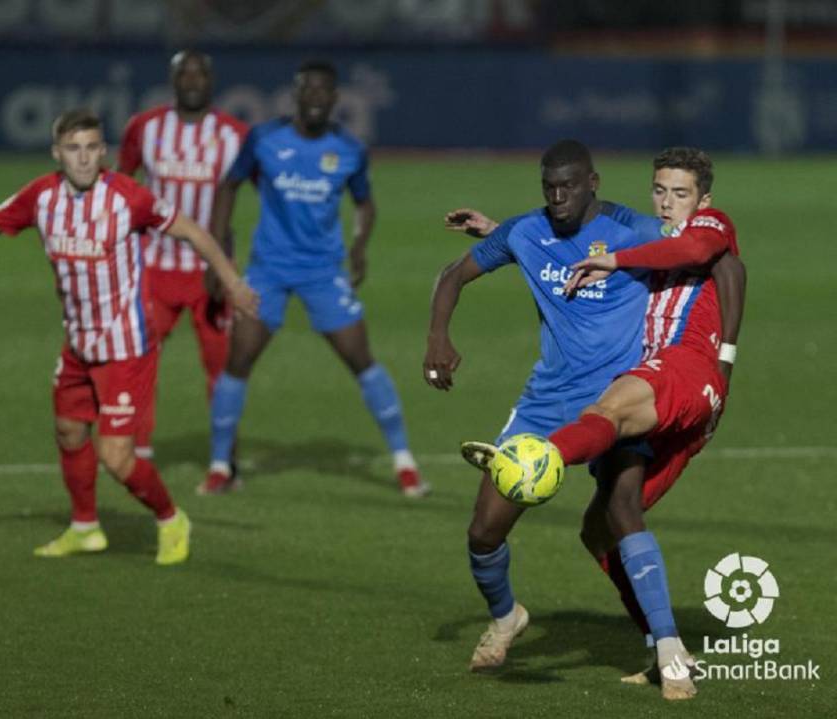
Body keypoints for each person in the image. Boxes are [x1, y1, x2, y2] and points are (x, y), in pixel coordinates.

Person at [441, 147, 745, 701]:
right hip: (550, 400)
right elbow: (468, 268)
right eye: (661, 191)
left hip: (626, 391)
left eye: (679, 194)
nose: (667, 203)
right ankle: (507, 617)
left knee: (622, 507)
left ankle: (670, 646)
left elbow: (716, 256)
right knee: (489, 530)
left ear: (593, 183)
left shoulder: (650, 229)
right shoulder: (534, 231)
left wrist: (725, 357)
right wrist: (503, 236)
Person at [0, 108, 258, 564]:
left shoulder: (128, 198)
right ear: (57, 153)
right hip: (78, 344)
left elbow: (192, 231)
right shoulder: (41, 196)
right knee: (70, 432)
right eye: (73, 149)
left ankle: (171, 518)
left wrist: (231, 281)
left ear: (103, 151)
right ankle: (85, 527)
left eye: (92, 148)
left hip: (125, 347)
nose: (84, 158)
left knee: (116, 457)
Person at [202, 60, 427, 497]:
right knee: (239, 359)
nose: (317, 99)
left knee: (361, 359)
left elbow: (365, 204)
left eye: (325, 92)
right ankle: (218, 465)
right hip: (268, 269)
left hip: (323, 272)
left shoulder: (349, 150)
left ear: (334, 99)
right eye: (309, 90)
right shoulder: (265, 139)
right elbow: (227, 188)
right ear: (297, 94)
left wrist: (360, 247)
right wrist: (220, 258)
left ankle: (405, 462)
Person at [119, 50, 249, 464]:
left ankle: (223, 459)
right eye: (184, 73)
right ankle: (137, 450)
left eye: (200, 74)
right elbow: (122, 188)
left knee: (221, 367)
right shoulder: (144, 127)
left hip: (208, 274)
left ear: (212, 80)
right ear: (172, 80)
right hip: (153, 267)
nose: (192, 81)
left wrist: (225, 264)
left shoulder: (236, 135)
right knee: (140, 359)